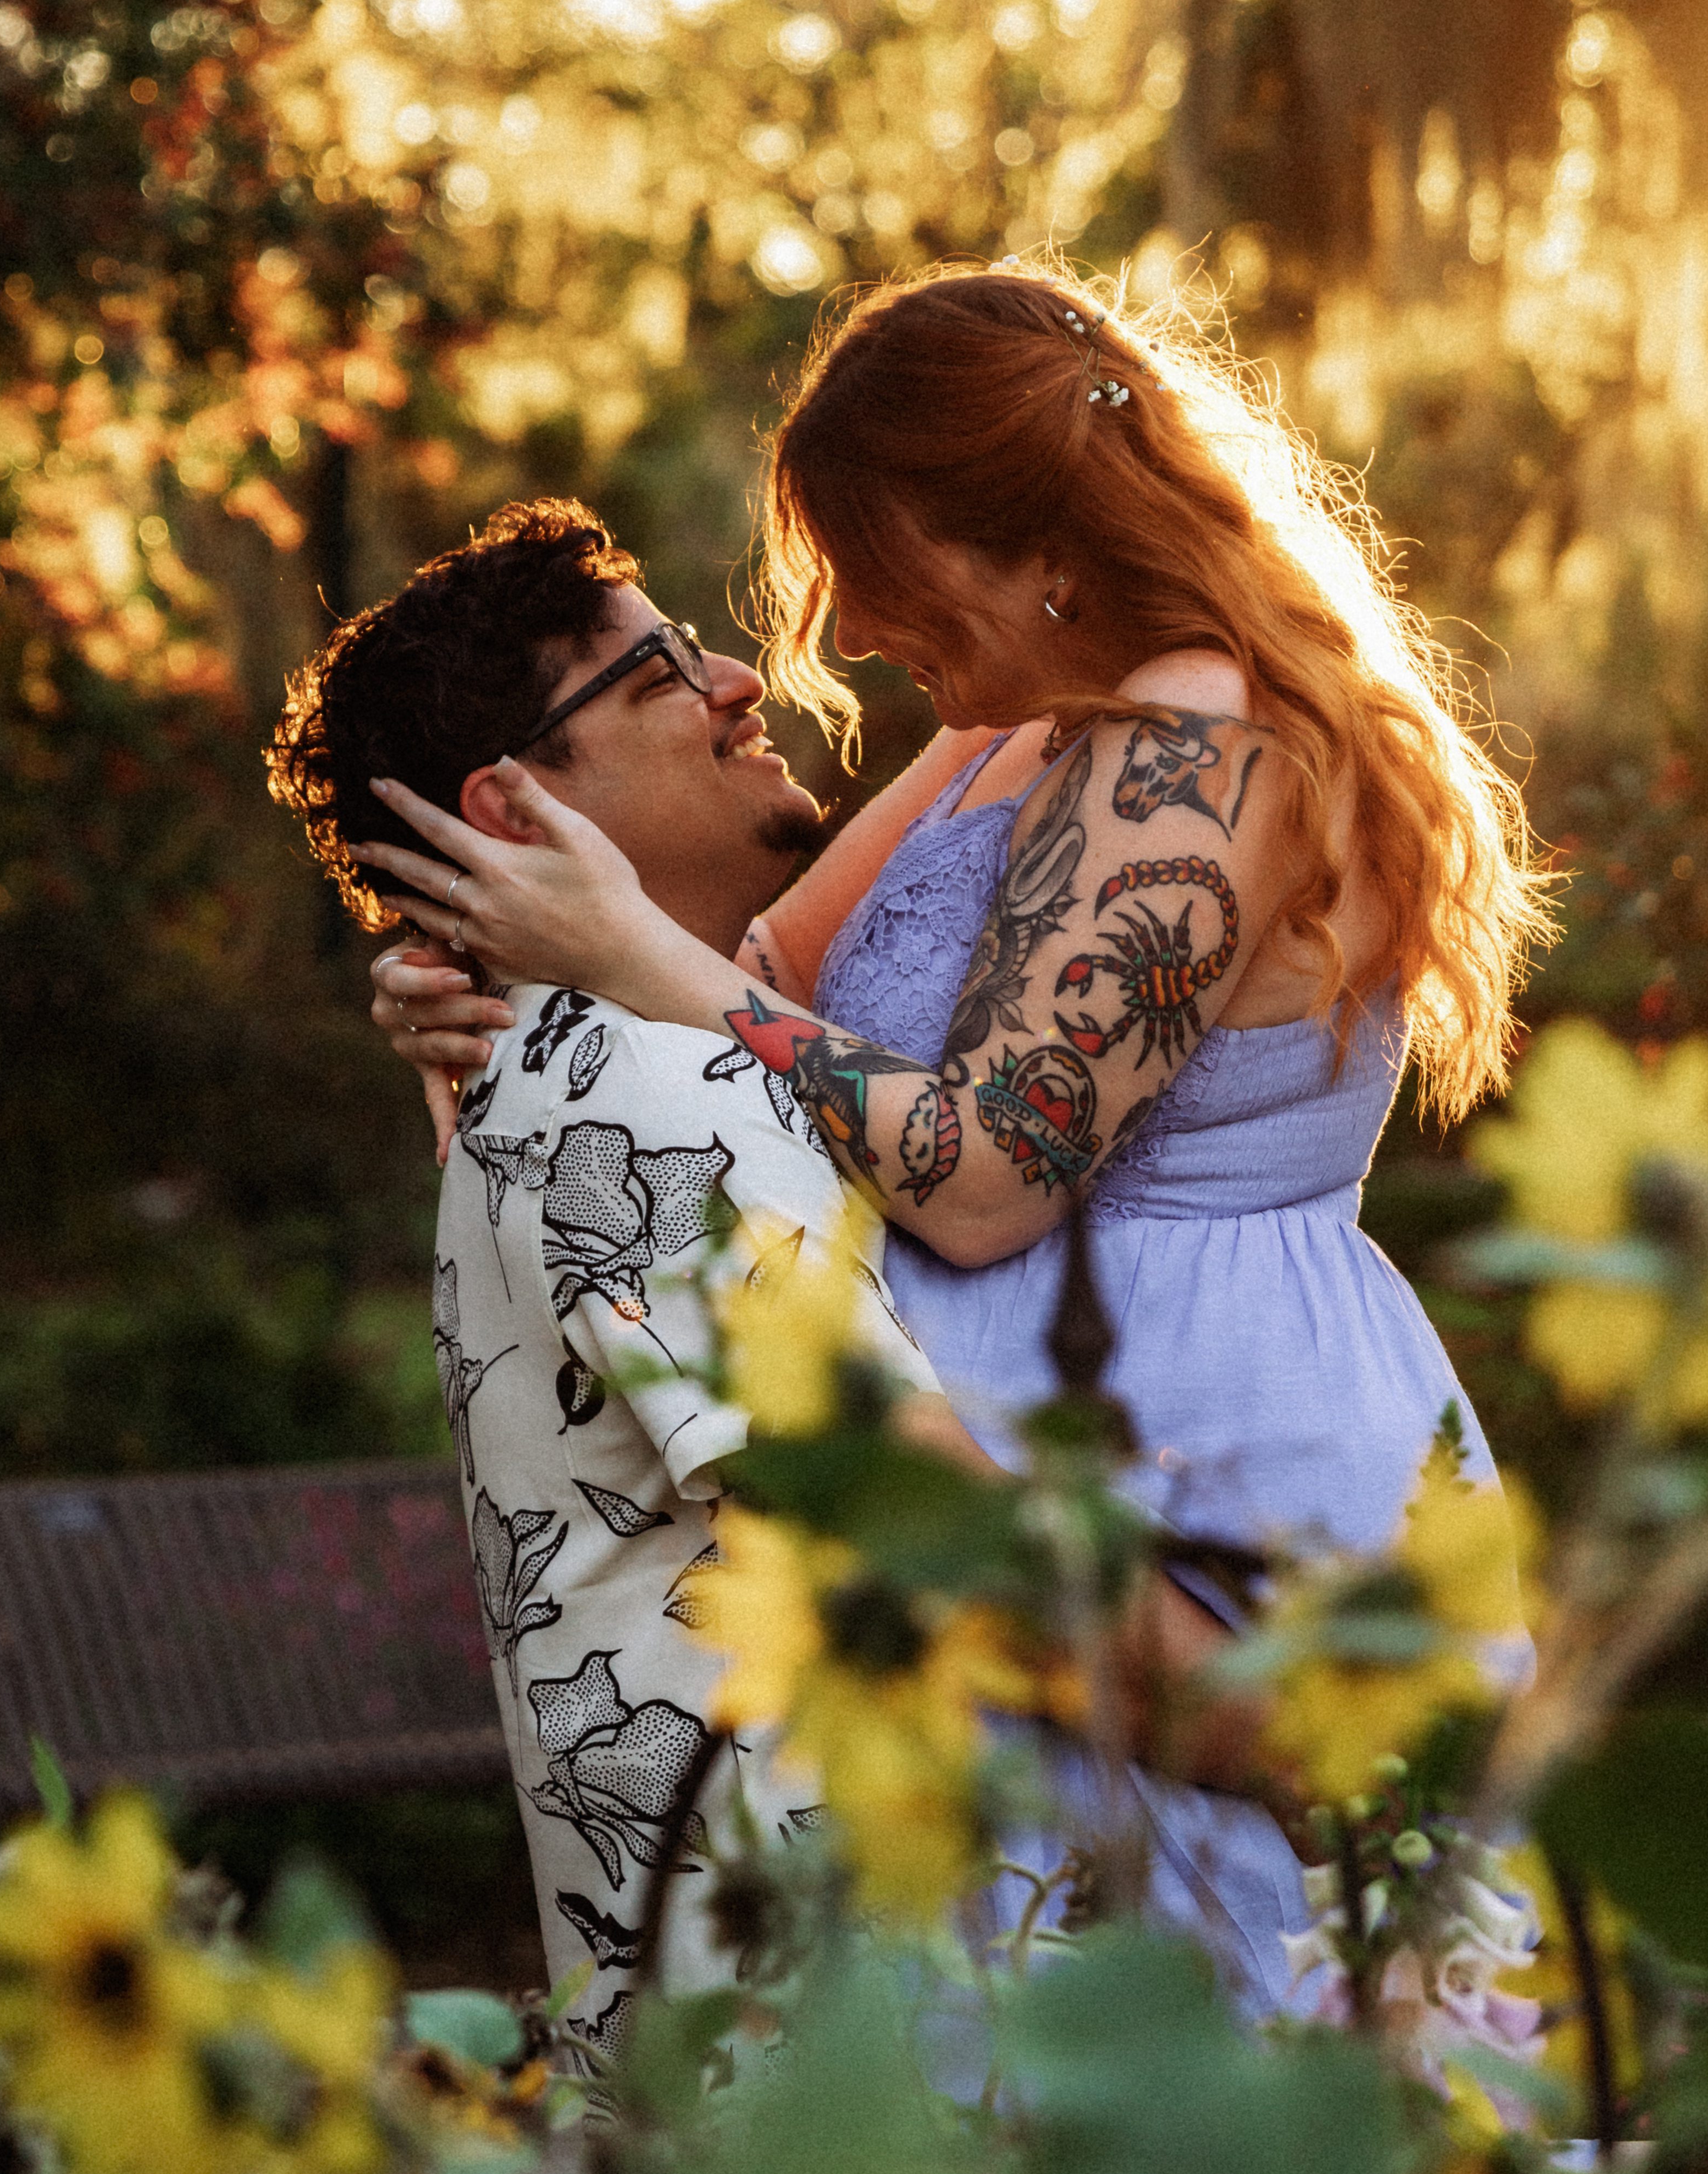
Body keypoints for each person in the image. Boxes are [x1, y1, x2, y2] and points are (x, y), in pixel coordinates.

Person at [356, 266, 1554, 2024]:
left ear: (1026, 539)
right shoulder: (1001, 741)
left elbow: (991, 1173)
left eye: (878, 565)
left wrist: (632, 956)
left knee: (1271, 2072)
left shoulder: (1209, 754)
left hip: (1198, 1452)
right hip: (991, 1471)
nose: (841, 632)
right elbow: (756, 990)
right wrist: (484, 997)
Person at [267, 495, 1263, 2052]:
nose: (743, 677)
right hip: (833, 2056)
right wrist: (1308, 1738)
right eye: (663, 674)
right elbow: (934, 1529)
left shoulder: (592, 1063)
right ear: (517, 809)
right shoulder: (641, 1100)